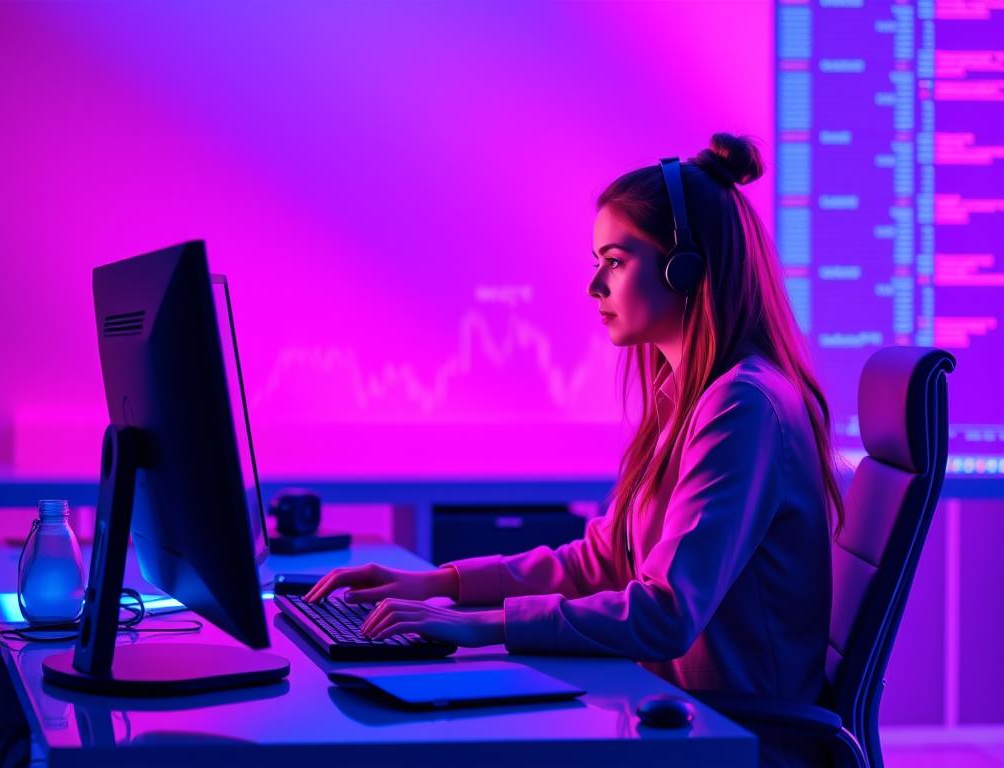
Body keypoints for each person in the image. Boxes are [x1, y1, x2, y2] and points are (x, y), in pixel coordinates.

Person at [307, 133, 843, 766]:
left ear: (686, 268)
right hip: (680, 716)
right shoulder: (694, 400)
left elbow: (667, 613)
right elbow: (601, 559)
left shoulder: (742, 406)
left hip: (736, 739)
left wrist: (485, 627)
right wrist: (439, 585)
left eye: (615, 260)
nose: (595, 285)